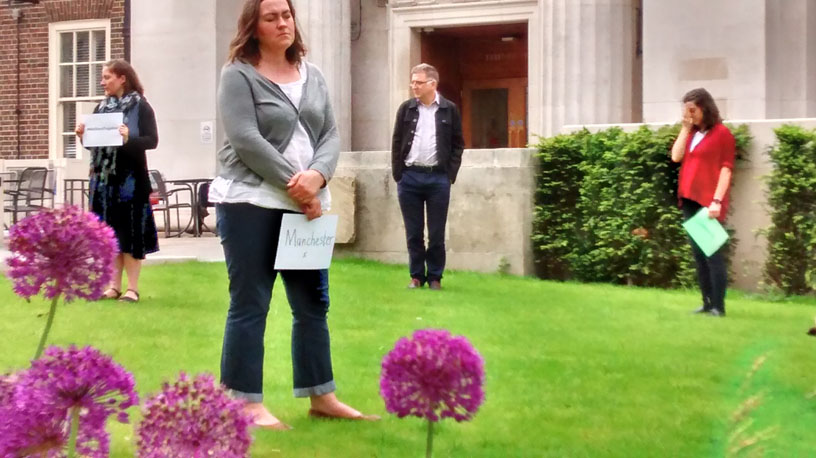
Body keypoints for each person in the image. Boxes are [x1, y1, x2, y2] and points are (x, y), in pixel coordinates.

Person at [210, 0, 378, 429]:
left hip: (305, 205)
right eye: (271, 17)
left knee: (312, 305)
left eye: (286, 15)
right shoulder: (237, 75)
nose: (282, 23)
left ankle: (322, 395)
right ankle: (244, 403)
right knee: (251, 303)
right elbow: (246, 139)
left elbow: (331, 134)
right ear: (254, 26)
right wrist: (298, 186)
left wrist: (319, 177)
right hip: (250, 203)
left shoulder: (313, 73)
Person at [75, 59, 159, 304]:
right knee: (110, 235)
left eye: (107, 77)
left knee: (130, 233)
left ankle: (132, 289)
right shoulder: (101, 109)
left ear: (123, 78)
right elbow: (94, 145)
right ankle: (113, 286)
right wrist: (83, 137)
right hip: (103, 181)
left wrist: (128, 137)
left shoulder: (141, 107)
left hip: (131, 181)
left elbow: (152, 141)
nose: (103, 82)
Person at [391, 63, 464, 290]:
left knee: (436, 232)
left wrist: (449, 174)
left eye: (419, 82)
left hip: (437, 179)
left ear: (432, 84)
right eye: (412, 82)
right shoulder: (406, 109)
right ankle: (416, 276)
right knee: (413, 232)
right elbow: (396, 142)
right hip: (410, 177)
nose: (414, 86)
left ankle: (434, 277)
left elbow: (457, 144)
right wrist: (399, 174)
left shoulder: (449, 110)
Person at [670, 88, 735, 317]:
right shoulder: (692, 133)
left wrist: (717, 200)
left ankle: (718, 306)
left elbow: (726, 170)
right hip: (689, 198)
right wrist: (685, 128)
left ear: (705, 107)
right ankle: (706, 303)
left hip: (708, 201)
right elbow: (676, 157)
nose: (689, 114)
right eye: (686, 110)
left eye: (692, 110)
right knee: (699, 255)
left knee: (712, 254)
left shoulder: (722, 134)